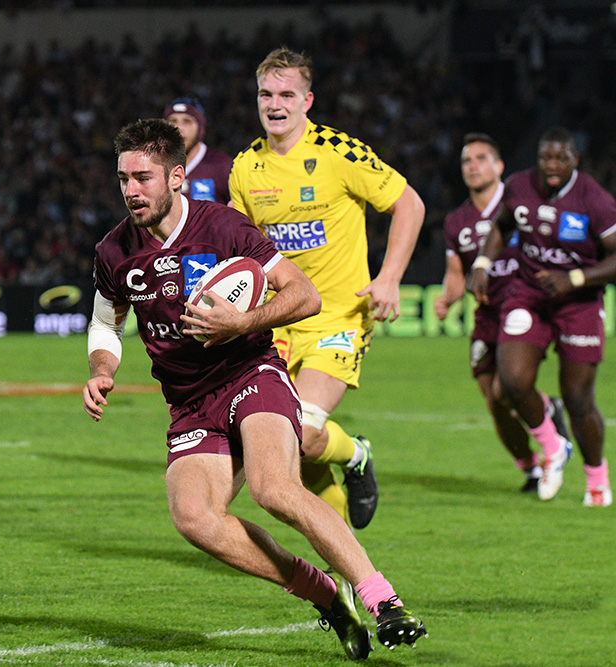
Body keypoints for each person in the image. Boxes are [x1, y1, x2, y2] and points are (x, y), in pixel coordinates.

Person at [84, 118, 426, 661]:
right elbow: (106, 322)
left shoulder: (223, 228)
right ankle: (323, 592)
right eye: (123, 177)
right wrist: (103, 369)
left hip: (249, 373)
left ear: (176, 177)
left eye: (143, 177)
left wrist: (243, 324)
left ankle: (384, 600)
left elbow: (305, 294)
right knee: (194, 517)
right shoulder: (114, 252)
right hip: (189, 403)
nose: (130, 190)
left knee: (273, 488)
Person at [228, 47, 426, 530]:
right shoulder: (245, 169)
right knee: (288, 449)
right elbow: (241, 254)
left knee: (302, 429)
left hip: (338, 317)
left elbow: (410, 204)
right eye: (266, 94)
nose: (275, 104)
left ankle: (356, 454)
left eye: (286, 94)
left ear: (307, 100)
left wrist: (390, 278)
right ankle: (342, 568)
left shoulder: (340, 152)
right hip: (277, 323)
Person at [471, 126, 615, 506]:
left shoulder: (595, 200)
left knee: (577, 397)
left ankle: (597, 478)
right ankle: (553, 447)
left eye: (559, 159)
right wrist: (484, 262)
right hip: (529, 294)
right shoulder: (520, 185)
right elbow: (502, 226)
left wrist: (576, 278)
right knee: (513, 381)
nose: (551, 166)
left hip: (578, 303)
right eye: (545, 158)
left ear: (574, 161)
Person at [434, 133, 570, 492]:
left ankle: (548, 437)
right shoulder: (457, 221)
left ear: (499, 166)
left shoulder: (521, 205)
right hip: (487, 316)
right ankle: (529, 466)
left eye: (481, 159)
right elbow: (455, 275)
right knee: (494, 403)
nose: (473, 166)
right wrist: (448, 299)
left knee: (501, 391)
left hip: (524, 309)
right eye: (466, 161)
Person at [163, 97, 234, 205]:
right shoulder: (156, 167)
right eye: (173, 121)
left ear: (200, 129)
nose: (179, 127)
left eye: (187, 121)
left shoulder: (223, 167)